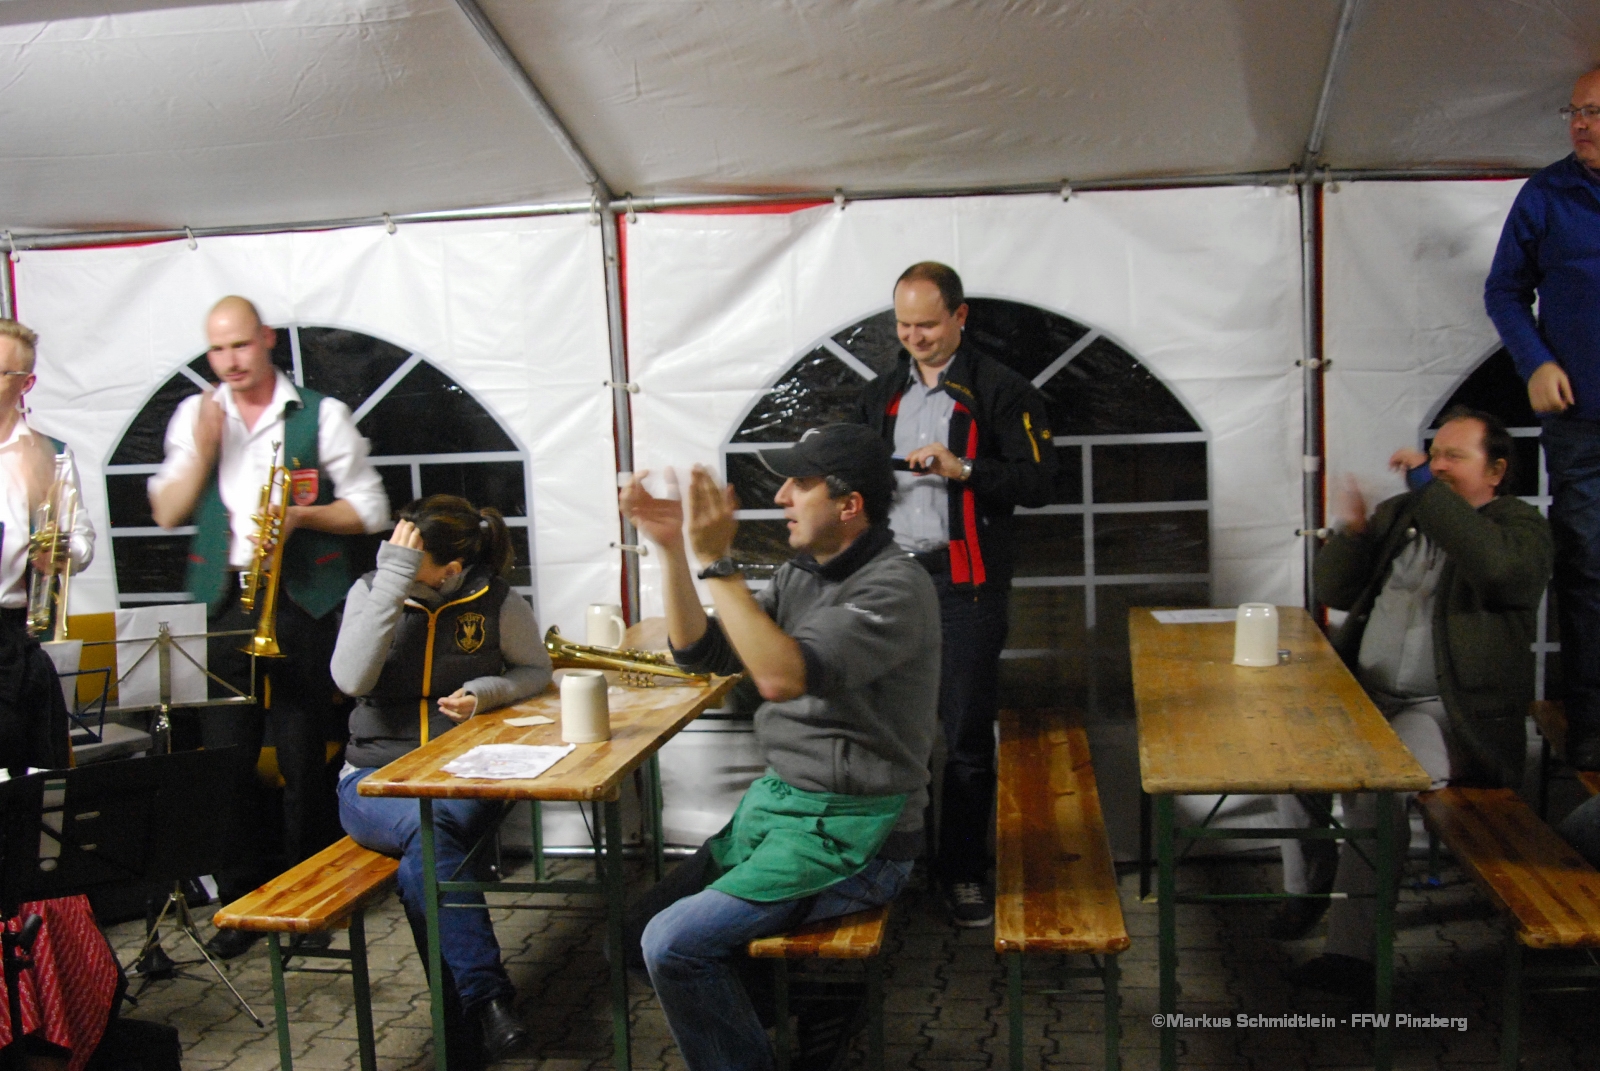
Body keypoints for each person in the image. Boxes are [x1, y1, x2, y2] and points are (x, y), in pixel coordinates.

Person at [618, 424, 939, 1071]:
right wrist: (674, 552)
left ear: (849, 505)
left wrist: (719, 563)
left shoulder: (894, 587)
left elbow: (780, 676)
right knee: (628, 939)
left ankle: (783, 1026)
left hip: (861, 832)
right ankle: (820, 1002)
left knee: (672, 944)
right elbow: (707, 653)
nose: (782, 495)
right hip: (787, 811)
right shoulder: (801, 574)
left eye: (800, 483)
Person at [148, 296, 389, 959]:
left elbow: (372, 509)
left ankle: (307, 903)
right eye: (217, 349)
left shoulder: (321, 414)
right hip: (224, 602)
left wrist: (302, 518)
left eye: (240, 345)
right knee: (227, 761)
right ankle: (242, 905)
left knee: (303, 759)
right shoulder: (196, 415)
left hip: (300, 602)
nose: (229, 361)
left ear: (267, 340)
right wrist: (201, 451)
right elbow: (167, 510)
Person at [1290, 408, 1551, 1001]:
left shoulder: (1519, 527)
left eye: (1455, 457)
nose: (1437, 467)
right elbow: (1333, 589)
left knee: (1379, 791)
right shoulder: (1404, 514)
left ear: (1497, 471)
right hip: (1365, 699)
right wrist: (1354, 534)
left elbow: (1501, 574)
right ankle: (1308, 891)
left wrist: (1429, 492)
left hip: (1444, 714)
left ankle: (1351, 958)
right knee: (1287, 757)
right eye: (1435, 456)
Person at [851, 261, 1056, 926]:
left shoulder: (1003, 390)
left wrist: (962, 468)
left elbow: (1039, 483)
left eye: (928, 325)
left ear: (960, 316)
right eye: (903, 325)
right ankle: (887, 863)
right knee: (882, 731)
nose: (915, 337)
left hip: (964, 583)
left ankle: (963, 871)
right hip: (889, 581)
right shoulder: (880, 395)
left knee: (965, 735)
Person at [333, 495, 550, 1068]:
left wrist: (487, 692)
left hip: (462, 776)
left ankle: (463, 1041)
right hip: (373, 780)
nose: (392, 558)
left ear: (450, 570)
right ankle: (490, 999)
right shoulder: (372, 590)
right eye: (392, 547)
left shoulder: (494, 600)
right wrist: (391, 582)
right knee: (428, 836)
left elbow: (535, 669)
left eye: (408, 555)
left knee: (423, 864)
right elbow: (350, 677)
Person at [1484, 66, 1600, 771]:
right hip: (1580, 421)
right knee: (1587, 566)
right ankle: (1590, 721)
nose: (1581, 123)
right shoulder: (1546, 194)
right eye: (1575, 111)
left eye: (1595, 111)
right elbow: (1503, 290)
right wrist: (1535, 361)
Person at [0, 318, 94, 775]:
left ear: (26, 383)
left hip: (12, 637)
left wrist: (60, 553)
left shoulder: (50, 454)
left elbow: (82, 541)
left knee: (25, 777)